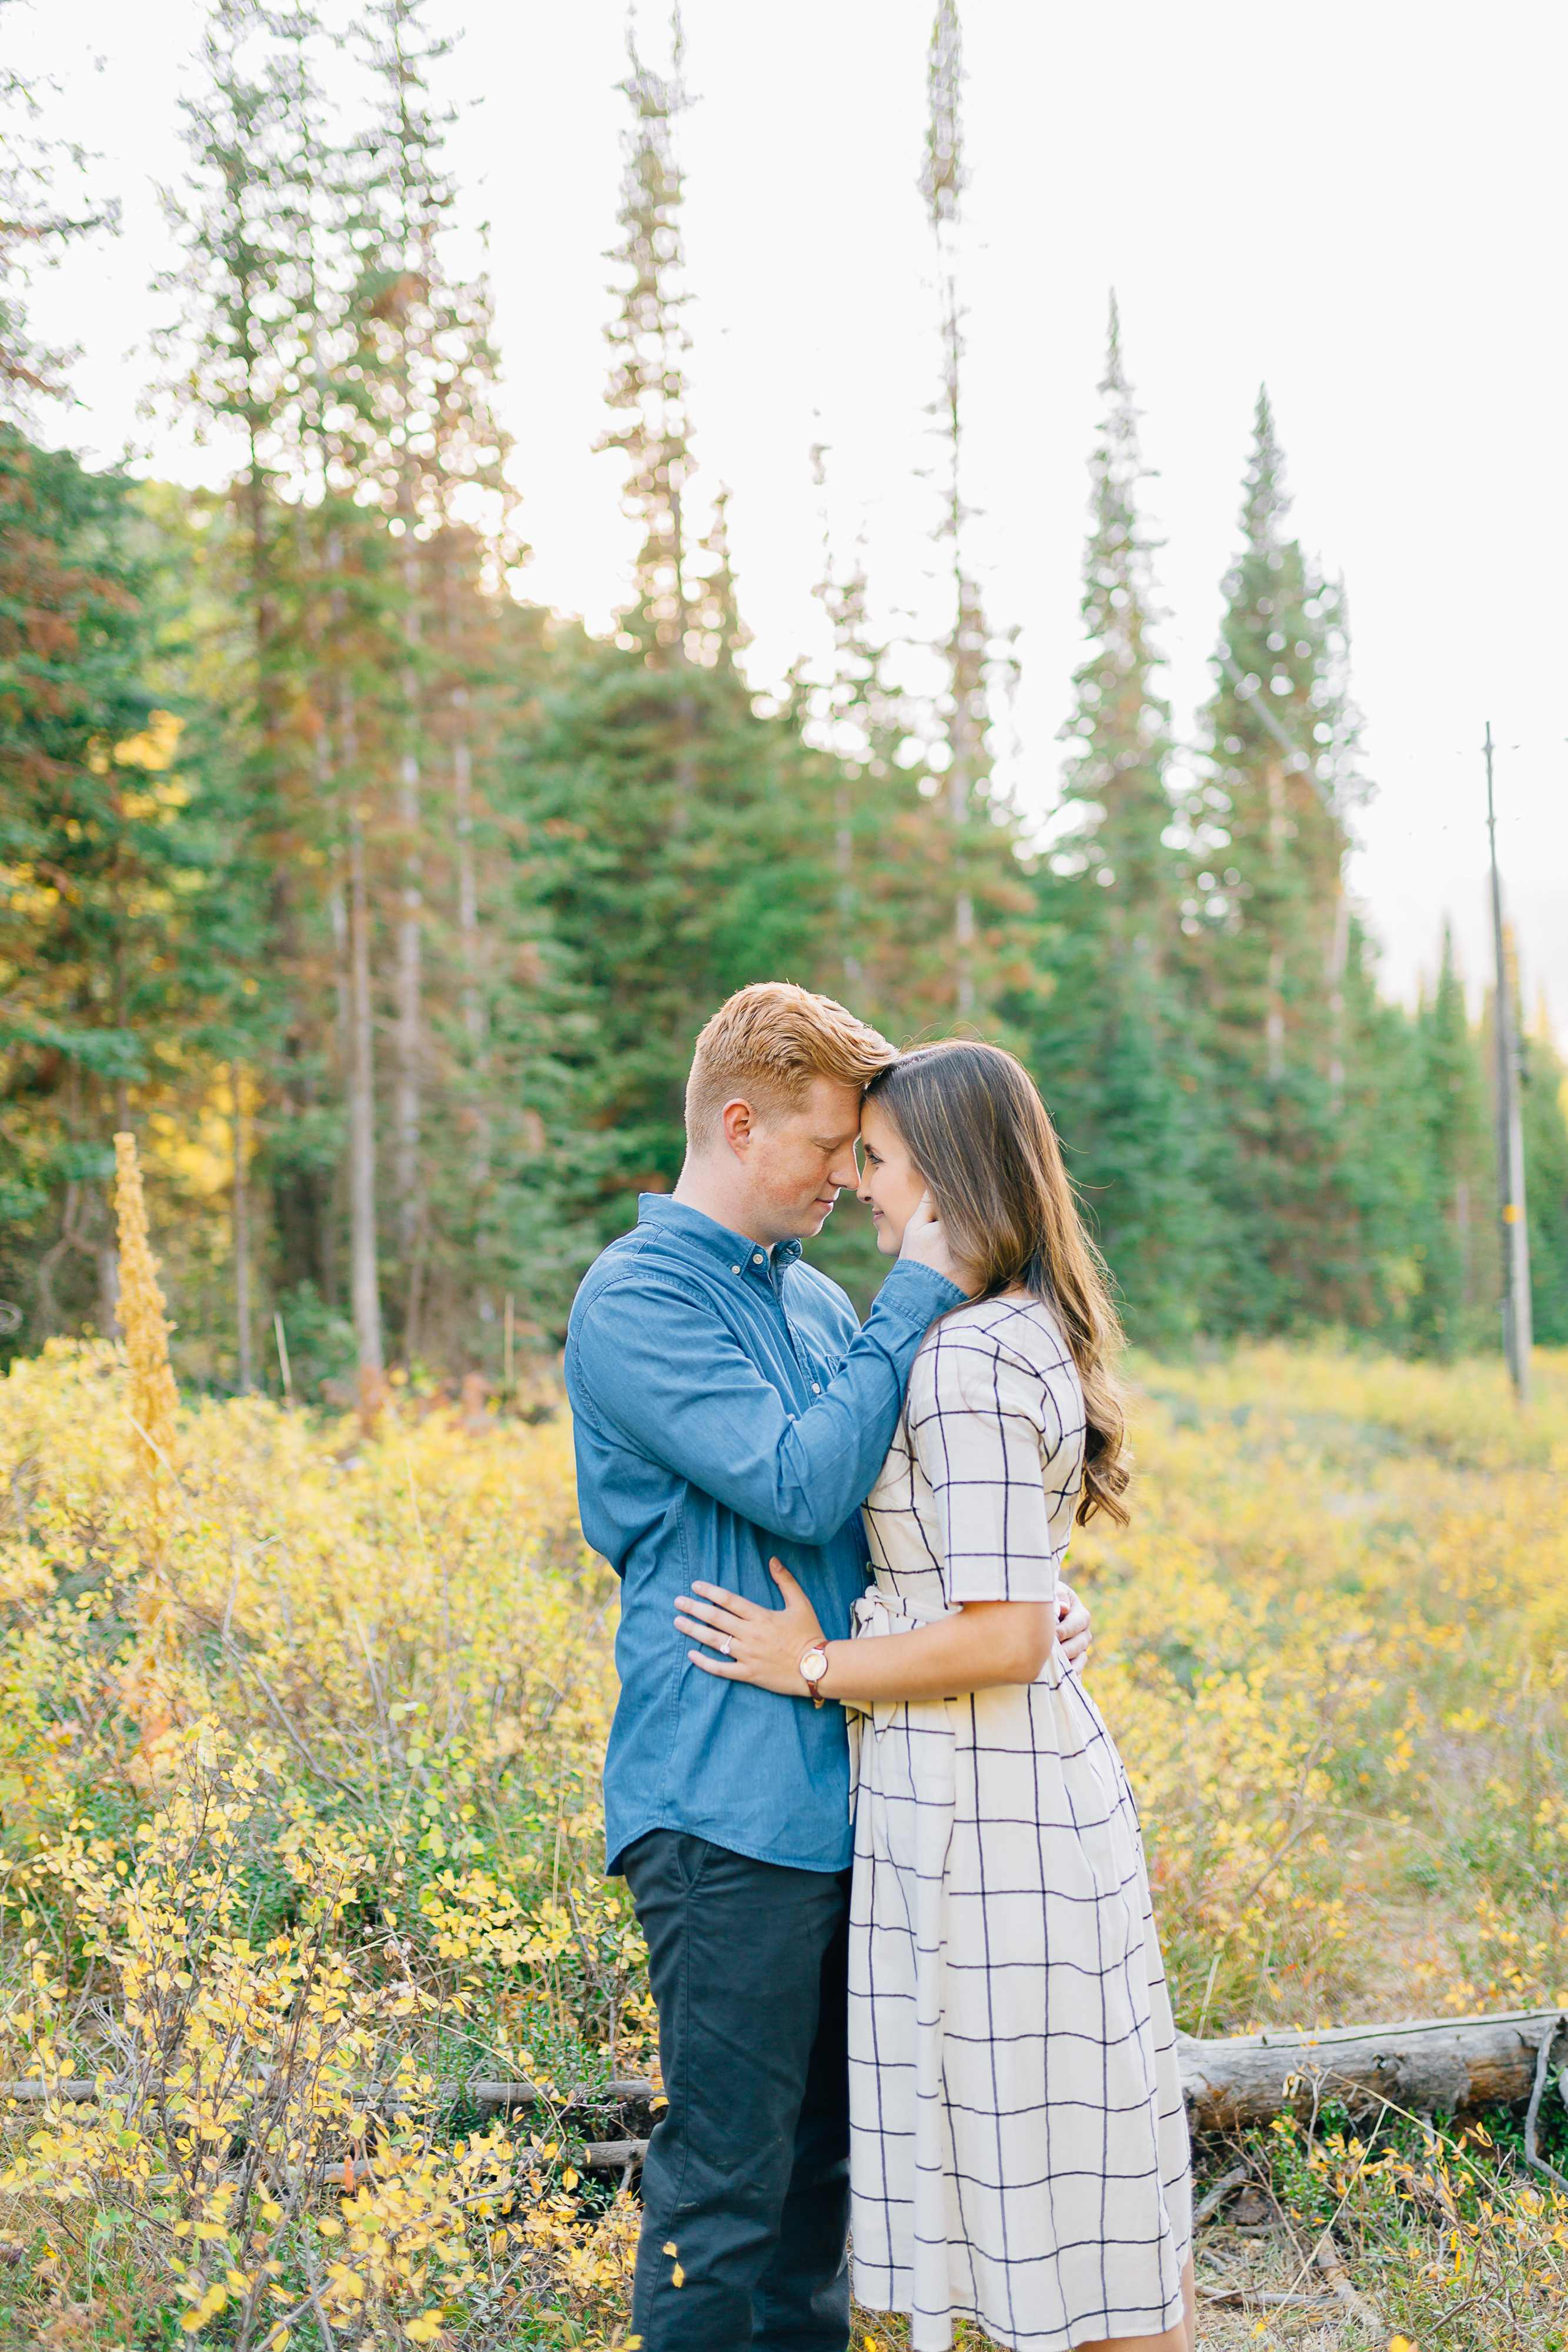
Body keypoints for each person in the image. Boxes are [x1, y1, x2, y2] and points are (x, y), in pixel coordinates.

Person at [566, 986, 1092, 2352]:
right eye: (831, 1149)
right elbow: (800, 1480)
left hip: (860, 1794)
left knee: (822, 2192)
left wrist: (1030, 1603)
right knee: (729, 2189)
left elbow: (891, 1502)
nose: (855, 1179)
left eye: (868, 1155)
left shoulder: (805, 1297)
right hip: (723, 1800)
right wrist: (918, 1286)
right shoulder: (636, 1299)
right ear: (740, 1126)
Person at [676, 1038, 1194, 2352]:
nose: (859, 1183)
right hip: (1011, 1786)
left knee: (1049, 2192)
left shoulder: (962, 1357)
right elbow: (1009, 1599)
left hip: (984, 1810)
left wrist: (811, 1664)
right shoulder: (1022, 1328)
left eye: (882, 1158)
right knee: (1086, 2184)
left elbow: (1004, 1632)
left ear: (949, 1175)